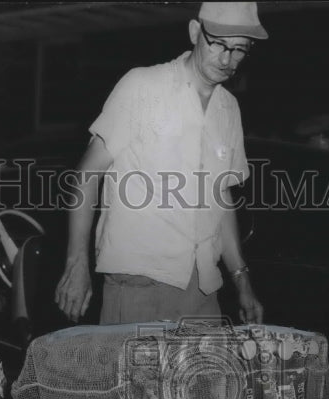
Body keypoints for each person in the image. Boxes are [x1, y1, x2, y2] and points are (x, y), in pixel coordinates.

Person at [55, 2, 265, 326]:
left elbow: (221, 201)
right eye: (219, 44)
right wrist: (76, 263)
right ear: (196, 32)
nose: (227, 59)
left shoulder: (229, 110)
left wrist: (242, 281)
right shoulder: (142, 86)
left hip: (204, 294)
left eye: (239, 50)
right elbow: (86, 175)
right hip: (140, 288)